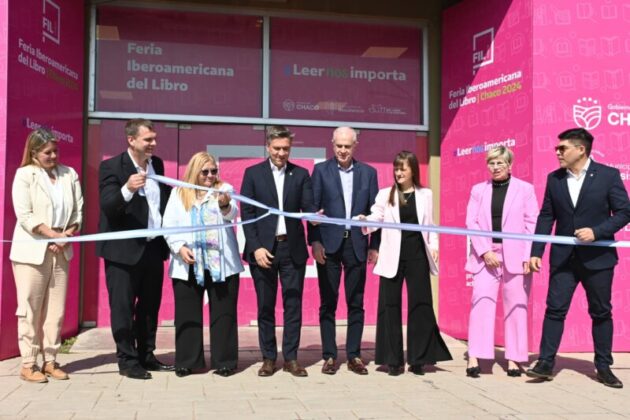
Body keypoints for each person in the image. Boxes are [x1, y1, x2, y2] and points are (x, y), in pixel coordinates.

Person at [527, 128, 630, 388]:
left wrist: (597, 232)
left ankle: (603, 366)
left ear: (581, 149)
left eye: (562, 148)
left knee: (601, 312)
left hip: (598, 259)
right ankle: (545, 363)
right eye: (557, 148)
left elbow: (624, 212)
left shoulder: (608, 175)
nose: (557, 152)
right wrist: (537, 251)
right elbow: (546, 216)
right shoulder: (554, 179)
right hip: (563, 259)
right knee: (554, 310)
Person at [359, 151, 452, 375]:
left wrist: (434, 245)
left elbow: (430, 224)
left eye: (403, 168)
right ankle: (393, 360)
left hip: (418, 255)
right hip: (392, 255)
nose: (398, 172)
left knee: (420, 305)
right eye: (396, 168)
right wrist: (362, 221)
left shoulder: (425, 194)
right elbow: (376, 217)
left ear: (413, 171)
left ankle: (418, 359)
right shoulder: (385, 194)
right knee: (389, 306)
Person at [97, 119, 174, 380]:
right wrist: (128, 189)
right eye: (148, 139)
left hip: (152, 248)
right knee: (123, 308)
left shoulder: (157, 164)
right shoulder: (112, 167)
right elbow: (108, 206)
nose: (153, 143)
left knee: (149, 307)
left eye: (154, 138)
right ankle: (127, 360)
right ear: (131, 140)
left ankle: (147, 355)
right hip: (123, 252)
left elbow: (162, 201)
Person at [241, 125, 315, 377]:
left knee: (293, 305)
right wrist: (256, 247)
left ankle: (291, 358)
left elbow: (308, 207)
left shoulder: (301, 174)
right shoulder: (253, 174)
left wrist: (316, 216)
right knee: (265, 306)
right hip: (263, 250)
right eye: (277, 148)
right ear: (268, 147)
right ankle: (269, 358)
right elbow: (247, 213)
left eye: (286, 148)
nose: (281, 153)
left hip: (292, 249)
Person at [10, 128, 83, 382]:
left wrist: (65, 236)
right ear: (34, 153)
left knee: (56, 310)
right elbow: (25, 214)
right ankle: (28, 363)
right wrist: (52, 235)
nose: (53, 156)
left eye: (55, 151)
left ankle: (50, 360)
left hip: (61, 250)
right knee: (29, 309)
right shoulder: (24, 175)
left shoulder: (69, 174)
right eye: (47, 152)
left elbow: (78, 212)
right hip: (31, 251)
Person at [162, 152, 243, 378]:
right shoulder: (178, 193)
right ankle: (187, 361)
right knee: (186, 314)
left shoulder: (224, 189)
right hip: (188, 262)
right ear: (194, 171)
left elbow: (233, 214)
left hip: (222, 265)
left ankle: (225, 361)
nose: (210, 176)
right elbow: (168, 225)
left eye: (213, 171)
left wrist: (225, 205)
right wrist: (179, 247)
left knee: (224, 314)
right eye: (205, 171)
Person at [309, 127, 380, 375]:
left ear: (355, 146)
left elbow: (377, 213)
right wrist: (315, 242)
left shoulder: (369, 173)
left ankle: (354, 356)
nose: (342, 150)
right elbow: (313, 210)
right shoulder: (320, 171)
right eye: (338, 145)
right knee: (328, 302)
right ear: (332, 144)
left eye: (347, 146)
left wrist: (374, 245)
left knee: (356, 302)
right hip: (328, 246)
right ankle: (329, 355)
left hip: (357, 245)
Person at [464, 146, 538, 378]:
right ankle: (475, 355)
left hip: (517, 255)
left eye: (500, 163)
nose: (495, 167)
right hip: (486, 255)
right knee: (481, 302)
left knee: (516, 306)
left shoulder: (525, 189)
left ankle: (514, 358)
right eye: (491, 162)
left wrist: (528, 256)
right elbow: (472, 223)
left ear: (509, 165)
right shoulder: (478, 190)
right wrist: (485, 251)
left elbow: (532, 224)